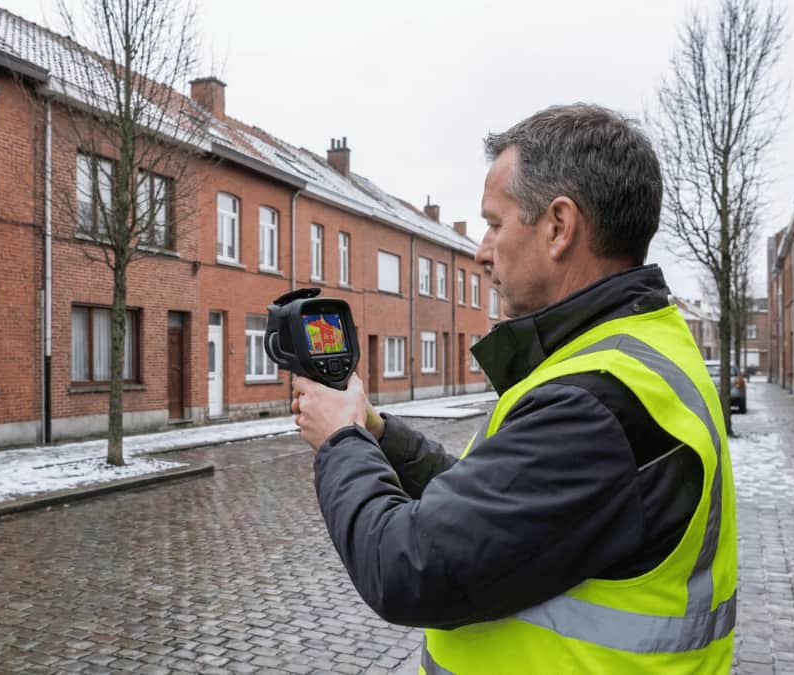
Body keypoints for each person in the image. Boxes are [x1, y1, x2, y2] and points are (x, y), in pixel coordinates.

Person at [291, 104, 737, 674]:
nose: (482, 251)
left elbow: (408, 566)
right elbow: (490, 506)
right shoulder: (632, 354)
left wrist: (340, 439)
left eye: (496, 224)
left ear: (559, 227)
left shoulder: (596, 401)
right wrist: (378, 434)